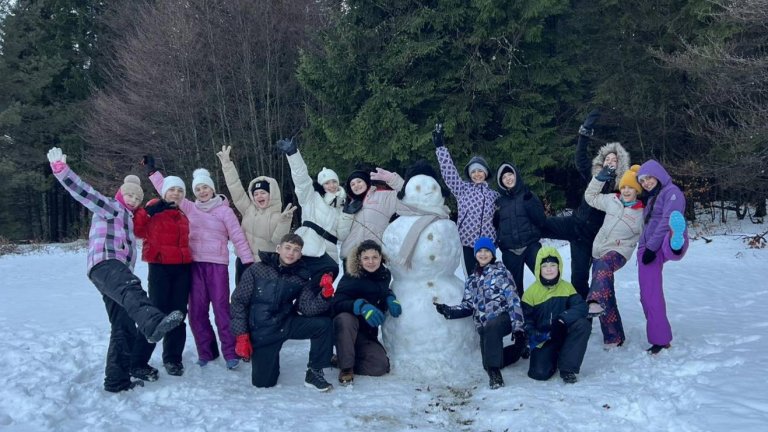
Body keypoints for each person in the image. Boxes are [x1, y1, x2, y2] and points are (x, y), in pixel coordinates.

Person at [46, 147, 184, 393]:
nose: (132, 200)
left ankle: (117, 381)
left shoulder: (129, 220)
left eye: (136, 198)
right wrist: (61, 170)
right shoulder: (110, 208)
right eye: (128, 195)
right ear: (120, 194)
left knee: (124, 326)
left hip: (116, 272)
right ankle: (152, 322)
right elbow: (83, 192)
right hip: (105, 264)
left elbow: (149, 218)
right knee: (132, 287)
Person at [144, 156, 255, 370]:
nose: (202, 192)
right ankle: (207, 351)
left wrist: (248, 261)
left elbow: (237, 236)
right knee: (196, 312)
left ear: (212, 189)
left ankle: (230, 352)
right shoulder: (190, 208)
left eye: (205, 187)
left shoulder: (224, 211)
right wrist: (152, 172)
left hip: (217, 266)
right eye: (198, 189)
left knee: (221, 309)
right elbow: (168, 190)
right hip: (194, 265)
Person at [541, 110, 630, 299]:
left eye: (614, 160)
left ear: (620, 164)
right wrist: (584, 134)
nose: (610, 162)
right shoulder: (594, 176)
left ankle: (584, 312)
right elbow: (580, 159)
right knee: (539, 224)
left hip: (590, 238)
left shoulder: (622, 188)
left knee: (579, 279)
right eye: (607, 159)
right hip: (574, 223)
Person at [230, 234, 335, 391]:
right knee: (263, 383)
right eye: (288, 247)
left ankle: (314, 372)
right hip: (262, 331)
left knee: (323, 325)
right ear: (278, 249)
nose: (291, 253)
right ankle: (270, 356)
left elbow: (305, 307)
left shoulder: (301, 276)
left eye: (296, 250)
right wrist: (241, 336)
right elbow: (238, 302)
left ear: (300, 254)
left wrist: (324, 295)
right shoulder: (257, 270)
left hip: (285, 324)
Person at [434, 237, 526, 389]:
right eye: (480, 251)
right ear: (475, 254)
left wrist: (518, 328)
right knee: (488, 361)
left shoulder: (502, 273)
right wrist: (449, 311)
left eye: (487, 251)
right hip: (485, 326)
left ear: (493, 254)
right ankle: (517, 351)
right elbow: (468, 305)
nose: (483, 254)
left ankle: (495, 375)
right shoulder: (471, 280)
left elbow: (513, 300)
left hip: (503, 318)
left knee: (491, 357)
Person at [130, 176, 193, 379]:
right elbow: (137, 230)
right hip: (160, 266)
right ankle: (138, 361)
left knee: (178, 313)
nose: (176, 193)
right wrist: (148, 212)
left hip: (182, 268)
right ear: (164, 192)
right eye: (172, 189)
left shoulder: (182, 214)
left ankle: (173, 358)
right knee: (156, 313)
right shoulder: (153, 207)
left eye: (180, 190)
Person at [583, 164, 645, 349]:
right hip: (599, 250)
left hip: (619, 252)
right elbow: (590, 197)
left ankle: (594, 300)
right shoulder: (612, 200)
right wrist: (598, 179)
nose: (626, 191)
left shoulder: (642, 213)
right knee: (606, 291)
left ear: (637, 190)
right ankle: (614, 337)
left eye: (631, 188)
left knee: (602, 276)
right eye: (623, 186)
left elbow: (649, 234)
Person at [215, 145, 296, 284]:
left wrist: (284, 222)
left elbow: (277, 241)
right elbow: (235, 188)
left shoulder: (278, 216)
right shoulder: (248, 209)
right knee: (241, 296)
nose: (259, 196)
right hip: (244, 262)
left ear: (272, 194)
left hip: (265, 265)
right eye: (256, 193)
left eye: (263, 193)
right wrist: (227, 165)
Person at [636, 160, 689, 354]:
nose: (646, 183)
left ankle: (676, 242)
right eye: (642, 181)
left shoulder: (672, 192)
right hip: (647, 247)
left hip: (657, 244)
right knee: (648, 295)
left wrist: (651, 247)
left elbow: (667, 219)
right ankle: (660, 336)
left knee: (671, 234)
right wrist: (645, 247)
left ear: (658, 174)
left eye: (649, 178)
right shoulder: (652, 198)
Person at [433, 124, 499, 275]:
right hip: (467, 242)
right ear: (469, 174)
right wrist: (440, 148)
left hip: (487, 243)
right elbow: (449, 172)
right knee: (471, 276)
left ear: (486, 173)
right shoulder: (462, 189)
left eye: (480, 171)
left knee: (489, 276)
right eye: (473, 171)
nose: (477, 174)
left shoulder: (494, 195)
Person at [331, 240, 401, 385]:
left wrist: (390, 297)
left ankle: (343, 358)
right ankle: (346, 368)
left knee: (380, 367)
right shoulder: (352, 276)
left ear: (381, 257)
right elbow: (336, 303)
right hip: (347, 330)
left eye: (375, 257)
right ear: (359, 259)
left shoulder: (384, 275)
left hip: (367, 333)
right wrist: (360, 306)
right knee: (345, 318)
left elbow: (381, 290)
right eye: (366, 258)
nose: (371, 262)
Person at [276, 138, 343, 286]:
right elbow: (301, 180)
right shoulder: (311, 198)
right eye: (327, 182)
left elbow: (344, 233)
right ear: (321, 185)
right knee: (300, 288)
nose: (331, 185)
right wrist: (293, 155)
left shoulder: (343, 206)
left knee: (322, 292)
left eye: (334, 181)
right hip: (307, 248)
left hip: (330, 255)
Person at [522, 247, 590, 384]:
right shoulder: (530, 293)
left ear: (559, 267)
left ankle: (567, 367)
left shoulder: (567, 288)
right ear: (538, 269)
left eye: (553, 265)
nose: (549, 269)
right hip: (544, 338)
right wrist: (536, 336)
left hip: (564, 333)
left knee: (583, 324)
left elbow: (581, 306)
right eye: (544, 266)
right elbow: (526, 321)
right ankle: (553, 356)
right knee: (539, 373)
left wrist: (562, 319)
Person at [493, 162, 547, 297]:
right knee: (514, 290)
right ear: (501, 182)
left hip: (530, 245)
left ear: (516, 175)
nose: (508, 178)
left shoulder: (528, 195)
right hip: (510, 251)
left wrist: (531, 203)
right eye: (504, 177)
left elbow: (540, 220)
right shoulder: (499, 202)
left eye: (510, 174)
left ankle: (553, 305)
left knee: (547, 278)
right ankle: (519, 310)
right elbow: (496, 226)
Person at [337, 168, 406, 263]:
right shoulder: (348, 205)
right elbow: (341, 235)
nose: (356, 185)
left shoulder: (384, 197)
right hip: (351, 257)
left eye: (359, 181)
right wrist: (347, 212)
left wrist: (393, 179)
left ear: (366, 181)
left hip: (374, 256)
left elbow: (408, 197)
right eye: (352, 184)